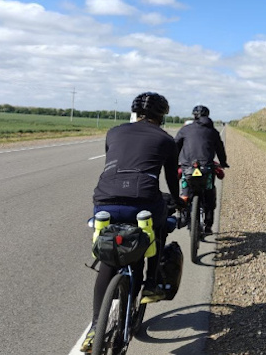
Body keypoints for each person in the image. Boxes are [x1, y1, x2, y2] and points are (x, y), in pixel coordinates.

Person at [81, 92, 185, 352]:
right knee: (160, 227)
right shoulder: (165, 139)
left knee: (109, 257)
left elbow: (113, 163)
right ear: (162, 116)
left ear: (135, 112)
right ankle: (150, 284)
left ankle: (96, 328)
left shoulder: (114, 132)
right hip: (144, 200)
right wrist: (179, 202)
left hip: (105, 198)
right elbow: (172, 180)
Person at [175, 105, 228, 234]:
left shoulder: (185, 129)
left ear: (194, 116)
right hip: (206, 169)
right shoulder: (213, 131)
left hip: (187, 167)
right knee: (209, 194)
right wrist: (223, 162)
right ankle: (208, 226)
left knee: (185, 190)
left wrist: (174, 162)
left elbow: (175, 145)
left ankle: (182, 215)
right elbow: (220, 149)